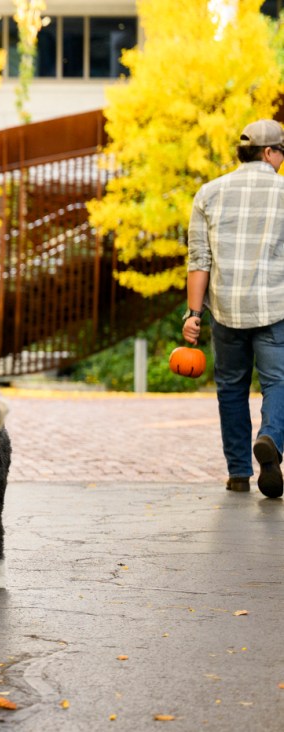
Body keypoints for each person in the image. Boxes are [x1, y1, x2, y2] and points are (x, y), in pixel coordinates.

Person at [184, 118, 284, 498]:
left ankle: (239, 473)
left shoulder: (209, 193)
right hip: (275, 308)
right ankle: (271, 439)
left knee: (231, 389)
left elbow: (198, 260)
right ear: (269, 152)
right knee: (278, 382)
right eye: (281, 155)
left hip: (225, 311)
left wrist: (194, 315)